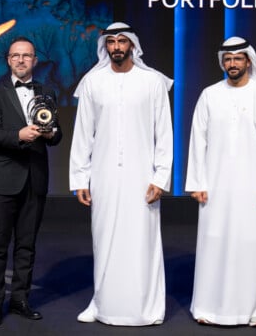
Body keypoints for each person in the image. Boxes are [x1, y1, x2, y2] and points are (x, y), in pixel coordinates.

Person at [69, 22, 174, 326]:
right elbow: (83, 134)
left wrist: (161, 177)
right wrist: (80, 178)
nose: (116, 47)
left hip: (143, 177)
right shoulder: (93, 82)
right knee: (103, 238)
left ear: (132, 45)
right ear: (105, 46)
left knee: (141, 241)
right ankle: (101, 303)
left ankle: (147, 307)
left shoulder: (152, 82)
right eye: (111, 42)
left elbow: (164, 135)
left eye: (122, 41)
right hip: (103, 175)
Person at [185, 36, 256, 328]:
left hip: (253, 187)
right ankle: (207, 306)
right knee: (213, 243)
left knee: (253, 245)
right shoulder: (210, 95)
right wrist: (197, 182)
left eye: (238, 58)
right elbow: (198, 140)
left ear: (248, 61)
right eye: (227, 59)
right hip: (215, 186)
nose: (232, 64)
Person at [0, 36, 62, 327]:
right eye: (16, 55)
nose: (21, 60)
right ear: (8, 60)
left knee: (27, 246)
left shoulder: (47, 91)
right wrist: (19, 135)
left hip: (35, 180)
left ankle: (20, 300)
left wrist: (51, 134)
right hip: (2, 181)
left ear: (35, 61)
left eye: (26, 55)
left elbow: (57, 133)